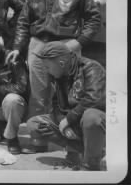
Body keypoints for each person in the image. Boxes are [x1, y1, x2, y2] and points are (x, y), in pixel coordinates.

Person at [6, 0, 101, 121]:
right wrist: (17, 47)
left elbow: (93, 19)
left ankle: (69, 139)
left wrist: (78, 43)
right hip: (37, 46)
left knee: (69, 94)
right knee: (38, 96)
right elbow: (23, 22)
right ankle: (38, 137)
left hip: (65, 46)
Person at [26, 41, 106, 170]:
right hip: (74, 121)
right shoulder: (59, 73)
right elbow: (56, 104)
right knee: (34, 123)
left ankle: (91, 164)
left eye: (47, 67)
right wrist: (64, 123)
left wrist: (69, 119)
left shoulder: (91, 67)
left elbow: (94, 99)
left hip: (95, 123)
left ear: (61, 63)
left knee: (91, 117)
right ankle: (80, 150)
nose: (47, 71)